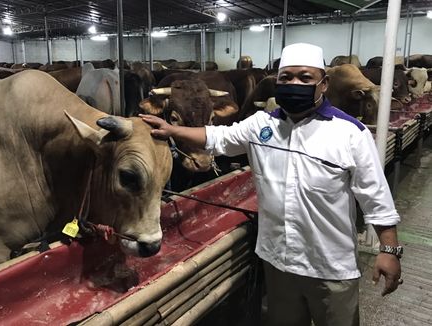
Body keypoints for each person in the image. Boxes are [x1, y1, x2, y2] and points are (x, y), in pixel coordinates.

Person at [140, 43, 402, 326]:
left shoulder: (350, 133)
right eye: (286, 77)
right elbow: (217, 137)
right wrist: (171, 129)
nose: (294, 84)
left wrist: (389, 251)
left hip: (331, 266)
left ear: (323, 84)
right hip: (278, 263)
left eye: (305, 78)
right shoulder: (260, 125)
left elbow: (376, 197)